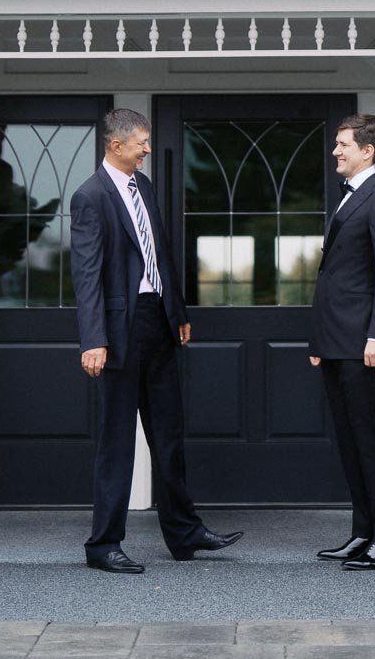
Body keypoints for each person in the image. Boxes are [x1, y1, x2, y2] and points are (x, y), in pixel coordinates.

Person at [69, 108, 243, 574]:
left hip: (157, 322)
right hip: (118, 332)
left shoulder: (142, 186)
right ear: (116, 145)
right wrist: (93, 339)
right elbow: (86, 276)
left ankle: (184, 534)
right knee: (117, 442)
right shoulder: (90, 197)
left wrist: (177, 310)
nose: (148, 149)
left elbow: (158, 253)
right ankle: (103, 544)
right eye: (141, 142)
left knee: (169, 434)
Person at [308, 113, 375, 571]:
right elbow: (334, 276)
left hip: (367, 344)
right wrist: (319, 341)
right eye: (337, 144)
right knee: (349, 441)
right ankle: (363, 531)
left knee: (373, 439)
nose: (336, 152)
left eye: (343, 144)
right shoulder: (350, 199)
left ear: (367, 151)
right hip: (337, 343)